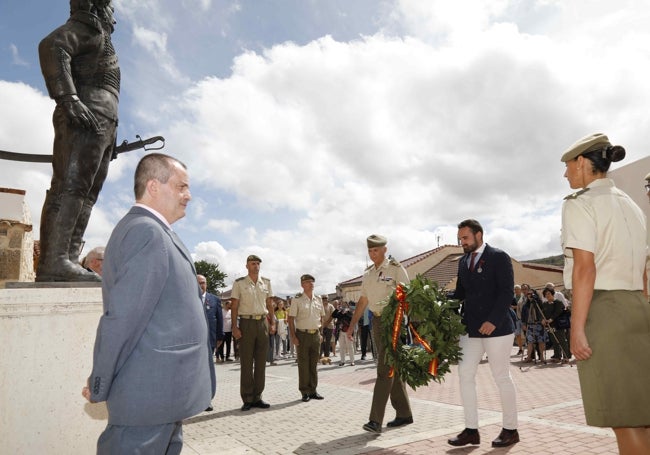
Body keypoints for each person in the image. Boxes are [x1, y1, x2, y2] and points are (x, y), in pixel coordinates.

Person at [81, 153, 215, 454]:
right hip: (146, 399)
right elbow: (122, 318)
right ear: (153, 187)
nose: (189, 195)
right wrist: (100, 379)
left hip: (163, 397)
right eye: (181, 187)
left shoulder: (159, 232)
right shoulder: (145, 232)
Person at [560, 133, 650, 454]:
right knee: (642, 415)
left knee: (624, 419)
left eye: (568, 165)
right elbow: (643, 272)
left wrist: (577, 328)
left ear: (582, 162)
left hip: (605, 311)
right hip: (639, 308)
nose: (566, 173)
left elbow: (585, 268)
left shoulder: (580, 205)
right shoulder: (632, 206)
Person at [36, 0, 119, 282]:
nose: (114, 19)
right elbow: (52, 46)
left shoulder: (100, 38)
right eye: (111, 11)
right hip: (85, 116)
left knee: (87, 193)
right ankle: (54, 261)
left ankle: (68, 258)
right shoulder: (86, 29)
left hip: (102, 123)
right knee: (70, 187)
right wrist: (68, 97)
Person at [448, 219, 519, 448]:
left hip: (497, 329)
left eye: (465, 238)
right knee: (465, 374)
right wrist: (433, 301)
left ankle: (510, 429)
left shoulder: (499, 256)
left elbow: (506, 292)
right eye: (460, 239)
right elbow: (459, 295)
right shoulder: (462, 262)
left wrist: (493, 320)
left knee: (501, 377)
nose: (462, 243)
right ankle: (471, 430)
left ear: (479, 234)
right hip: (470, 329)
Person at [347, 234, 413, 434]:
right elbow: (363, 301)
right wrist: (351, 326)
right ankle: (404, 413)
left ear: (385, 249)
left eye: (375, 250)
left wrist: (404, 320)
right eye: (370, 250)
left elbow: (407, 294)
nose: (372, 254)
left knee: (384, 370)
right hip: (376, 321)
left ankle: (375, 420)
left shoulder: (394, 268)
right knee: (392, 367)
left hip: (393, 320)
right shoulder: (368, 274)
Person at [231, 254, 276, 411]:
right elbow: (234, 306)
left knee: (261, 362)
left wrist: (273, 322)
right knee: (246, 362)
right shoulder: (239, 283)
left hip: (262, 322)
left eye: (257, 263)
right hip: (246, 323)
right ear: (247, 266)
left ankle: (258, 396)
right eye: (252, 263)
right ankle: (247, 398)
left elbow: (270, 304)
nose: (255, 266)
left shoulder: (267, 282)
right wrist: (234, 327)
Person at [288, 274, 326, 402]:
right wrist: (293, 336)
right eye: (308, 282)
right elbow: (291, 318)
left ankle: (313, 390)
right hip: (302, 334)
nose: (311, 284)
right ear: (302, 285)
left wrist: (320, 333)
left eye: (312, 282)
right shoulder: (297, 300)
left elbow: (321, 317)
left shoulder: (318, 299)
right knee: (303, 364)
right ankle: (304, 391)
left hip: (315, 334)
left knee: (314, 364)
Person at [198, 274, 224, 361]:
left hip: (210, 338)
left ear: (206, 284)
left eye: (202, 283)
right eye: (197, 283)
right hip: (193, 339)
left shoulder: (215, 300)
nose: (200, 285)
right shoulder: (187, 299)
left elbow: (219, 319)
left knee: (208, 364)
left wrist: (220, 337)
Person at [541, 288, 570, 364]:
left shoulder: (558, 302)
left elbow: (558, 312)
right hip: (549, 325)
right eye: (546, 294)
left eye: (549, 294)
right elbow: (542, 313)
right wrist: (543, 320)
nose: (547, 295)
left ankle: (566, 357)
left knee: (562, 340)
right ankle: (557, 356)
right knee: (554, 341)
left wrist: (551, 319)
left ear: (552, 294)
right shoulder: (544, 304)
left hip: (558, 324)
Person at [521, 287, 548, 363]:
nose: (529, 295)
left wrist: (544, 320)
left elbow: (543, 313)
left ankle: (542, 357)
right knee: (530, 342)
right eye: (528, 294)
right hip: (530, 325)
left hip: (539, 324)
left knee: (541, 341)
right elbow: (523, 316)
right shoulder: (526, 305)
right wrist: (523, 324)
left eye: (531, 294)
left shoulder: (539, 304)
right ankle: (529, 357)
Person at [330, 300, 355, 366]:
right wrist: (337, 309)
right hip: (340, 331)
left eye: (345, 304)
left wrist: (345, 312)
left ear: (347, 305)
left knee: (350, 346)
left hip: (348, 331)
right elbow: (333, 315)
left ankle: (352, 361)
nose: (343, 305)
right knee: (342, 347)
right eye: (342, 304)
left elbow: (351, 318)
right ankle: (342, 361)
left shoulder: (350, 312)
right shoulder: (339, 312)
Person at [512, 285, 526, 355]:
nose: (516, 290)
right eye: (515, 289)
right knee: (518, 335)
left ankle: (529, 349)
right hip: (516, 318)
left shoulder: (524, 297)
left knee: (526, 334)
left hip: (523, 318)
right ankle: (520, 349)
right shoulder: (513, 297)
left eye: (517, 289)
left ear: (520, 290)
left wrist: (515, 307)